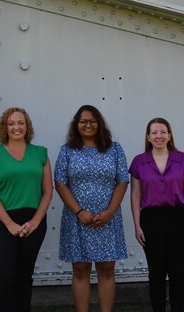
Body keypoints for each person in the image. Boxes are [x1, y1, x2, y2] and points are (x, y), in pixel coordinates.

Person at [54, 105, 129, 312]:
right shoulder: (67, 151)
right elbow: (60, 183)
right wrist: (79, 212)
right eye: (83, 121)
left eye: (93, 121)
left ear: (100, 124)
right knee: (80, 269)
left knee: (106, 269)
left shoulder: (115, 149)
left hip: (108, 216)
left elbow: (123, 181)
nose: (88, 125)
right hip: (77, 217)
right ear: (76, 125)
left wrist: (109, 212)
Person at [0, 107, 53, 312]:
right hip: (1, 221)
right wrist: (9, 224)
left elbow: (48, 191)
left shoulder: (40, 153)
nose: (16, 127)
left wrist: (36, 221)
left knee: (24, 276)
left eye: (21, 123)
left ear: (27, 126)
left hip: (33, 220)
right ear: (4, 127)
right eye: (11, 123)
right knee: (5, 277)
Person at [129, 118, 184, 312]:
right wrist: (137, 225)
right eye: (154, 132)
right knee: (156, 273)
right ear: (148, 137)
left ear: (169, 135)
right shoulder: (139, 162)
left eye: (163, 132)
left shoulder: (182, 159)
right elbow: (135, 195)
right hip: (150, 220)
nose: (159, 136)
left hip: (177, 218)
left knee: (177, 273)